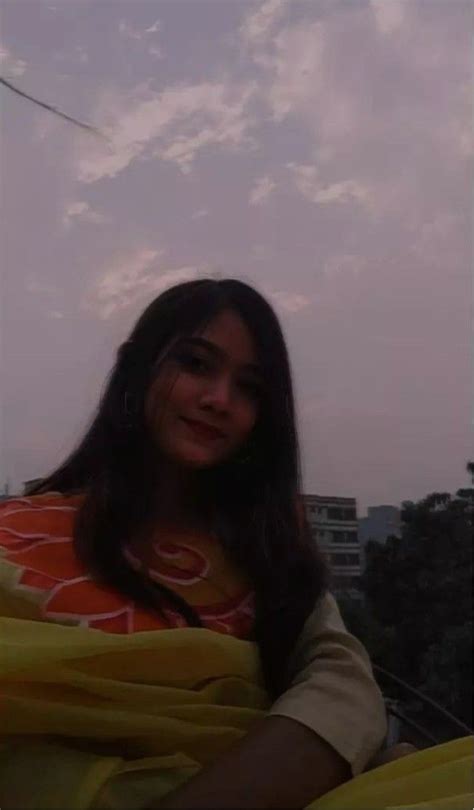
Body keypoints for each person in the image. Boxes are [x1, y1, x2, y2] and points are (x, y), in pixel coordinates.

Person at [0, 278, 471, 810]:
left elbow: (342, 685)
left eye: (249, 388)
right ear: (136, 367)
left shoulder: (267, 552)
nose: (219, 400)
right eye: (196, 364)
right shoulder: (16, 531)